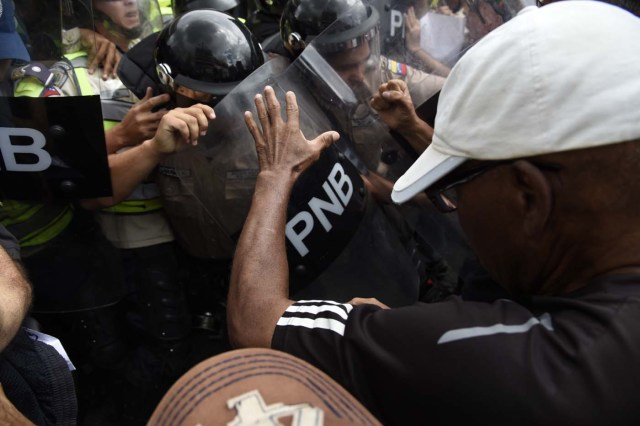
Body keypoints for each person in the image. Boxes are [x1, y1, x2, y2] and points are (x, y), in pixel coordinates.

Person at [225, 1, 640, 424]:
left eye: (457, 185)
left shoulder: (510, 357)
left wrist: (276, 174)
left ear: (528, 197)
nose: (451, 201)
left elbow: (256, 323)